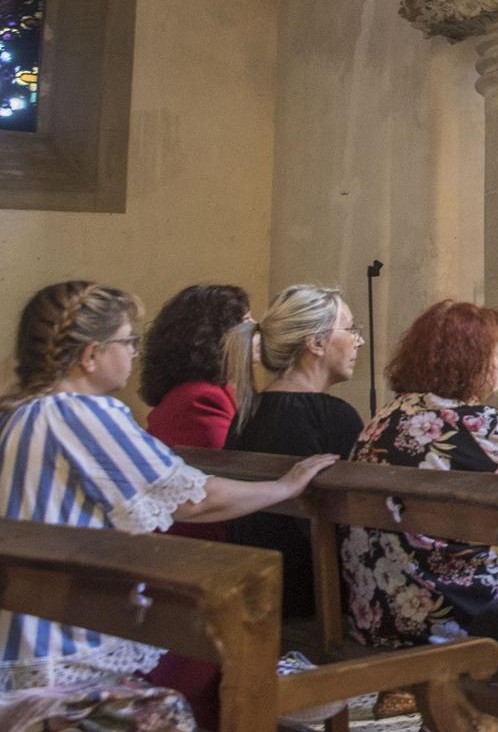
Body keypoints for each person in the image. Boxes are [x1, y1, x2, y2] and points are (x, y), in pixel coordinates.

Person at [0, 281, 336, 692]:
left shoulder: (18, 413)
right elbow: (193, 500)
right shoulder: (82, 414)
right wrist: (285, 486)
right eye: (128, 341)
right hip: (58, 644)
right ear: (91, 355)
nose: (134, 352)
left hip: (20, 619)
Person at [339, 299, 498, 732]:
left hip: (376, 610)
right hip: (450, 619)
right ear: (469, 361)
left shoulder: (382, 421)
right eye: (496, 354)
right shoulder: (477, 424)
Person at [226, 285, 366, 619]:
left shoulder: (248, 412)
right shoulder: (333, 416)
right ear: (315, 344)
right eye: (350, 330)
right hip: (314, 600)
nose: (358, 341)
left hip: (256, 587)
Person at [140, 283, 253, 544]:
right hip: (194, 543)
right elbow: (229, 469)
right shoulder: (201, 398)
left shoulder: (201, 391)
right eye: (246, 321)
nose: (256, 330)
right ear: (218, 336)